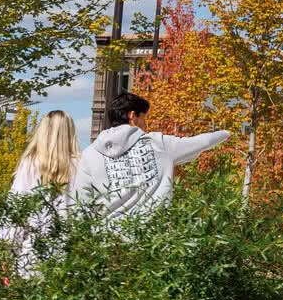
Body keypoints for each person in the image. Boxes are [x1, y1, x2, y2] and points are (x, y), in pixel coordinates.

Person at [70, 92, 230, 224]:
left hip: (106, 241)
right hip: (150, 241)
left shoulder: (90, 153)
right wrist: (228, 132)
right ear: (132, 116)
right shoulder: (159, 144)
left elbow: (80, 202)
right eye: (144, 118)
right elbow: (201, 142)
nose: (145, 125)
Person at [0, 110, 77, 273]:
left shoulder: (30, 164)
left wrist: (7, 250)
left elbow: (16, 206)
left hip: (31, 252)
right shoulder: (79, 165)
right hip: (68, 253)